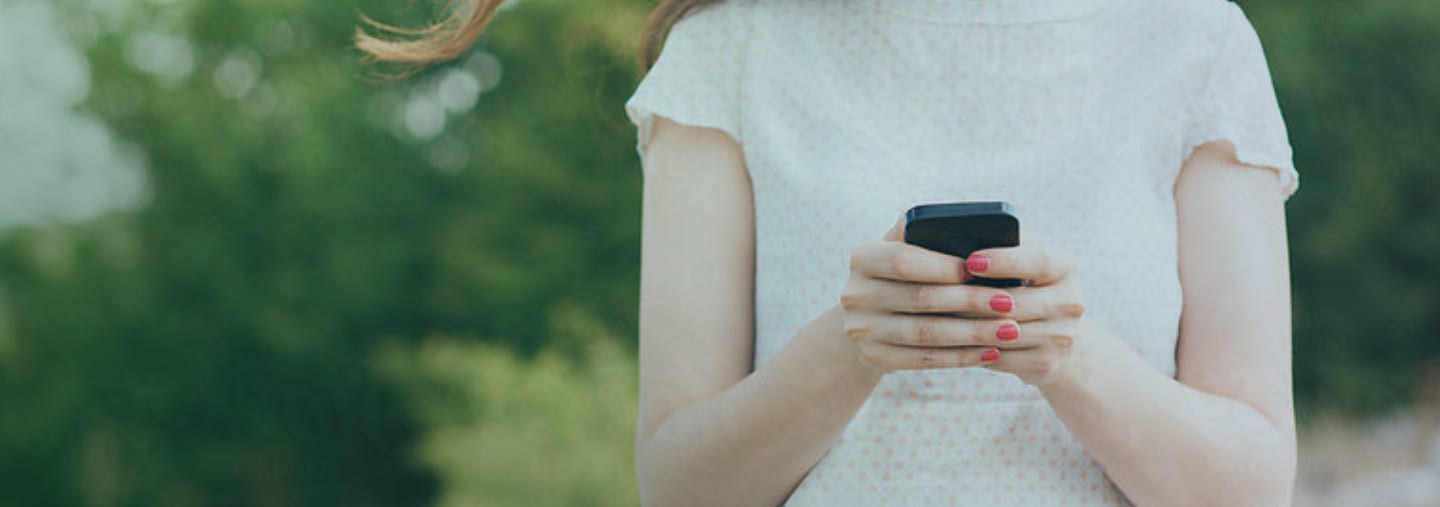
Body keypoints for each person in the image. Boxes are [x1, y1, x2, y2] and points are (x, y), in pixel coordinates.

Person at [360, 0, 1300, 505]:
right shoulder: (728, 52)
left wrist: (1069, 356)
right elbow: (681, 490)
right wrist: (849, 348)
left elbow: (1252, 487)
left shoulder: (1195, 41)